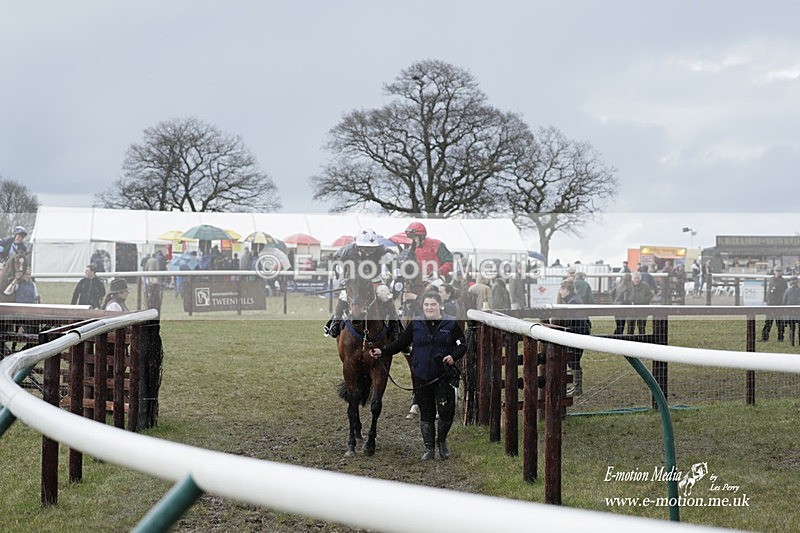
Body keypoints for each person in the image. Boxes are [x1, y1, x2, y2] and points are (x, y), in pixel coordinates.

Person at [368, 290, 465, 460]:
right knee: (426, 413)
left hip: (443, 375)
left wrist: (453, 356)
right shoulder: (416, 323)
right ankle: (429, 449)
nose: (429, 308)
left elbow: (462, 345)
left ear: (439, 305)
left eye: (433, 305)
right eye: (426, 305)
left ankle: (441, 442)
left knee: (446, 412)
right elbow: (401, 343)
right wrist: (382, 352)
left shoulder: (450, 323)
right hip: (421, 376)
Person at [323, 228, 398, 339]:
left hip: (374, 279)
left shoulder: (382, 251)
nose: (368, 251)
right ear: (357, 245)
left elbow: (394, 267)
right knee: (344, 296)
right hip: (355, 280)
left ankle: (395, 325)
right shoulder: (346, 251)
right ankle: (335, 320)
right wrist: (344, 279)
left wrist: (396, 278)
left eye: (371, 248)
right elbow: (337, 264)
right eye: (365, 248)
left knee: (384, 293)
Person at [558, 280, 591, 396]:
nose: (559, 292)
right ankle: (576, 387)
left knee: (573, 360)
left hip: (577, 335)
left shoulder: (573, 302)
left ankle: (577, 388)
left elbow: (573, 321)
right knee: (573, 360)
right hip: (578, 333)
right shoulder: (574, 299)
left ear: (566, 289)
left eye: (561, 289)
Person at [762, 266, 788, 342]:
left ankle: (780, 338)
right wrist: (766, 299)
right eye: (776, 270)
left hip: (778, 305)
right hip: (770, 304)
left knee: (779, 322)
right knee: (768, 322)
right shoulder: (771, 280)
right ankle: (765, 337)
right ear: (774, 271)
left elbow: (784, 293)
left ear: (781, 272)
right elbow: (768, 291)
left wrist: (783, 304)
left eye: (779, 271)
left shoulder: (783, 282)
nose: (778, 272)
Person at [782, 276, 800, 346]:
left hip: (790, 313)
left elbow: (784, 302)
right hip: (798, 312)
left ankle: (792, 343)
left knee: (792, 328)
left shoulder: (787, 291)